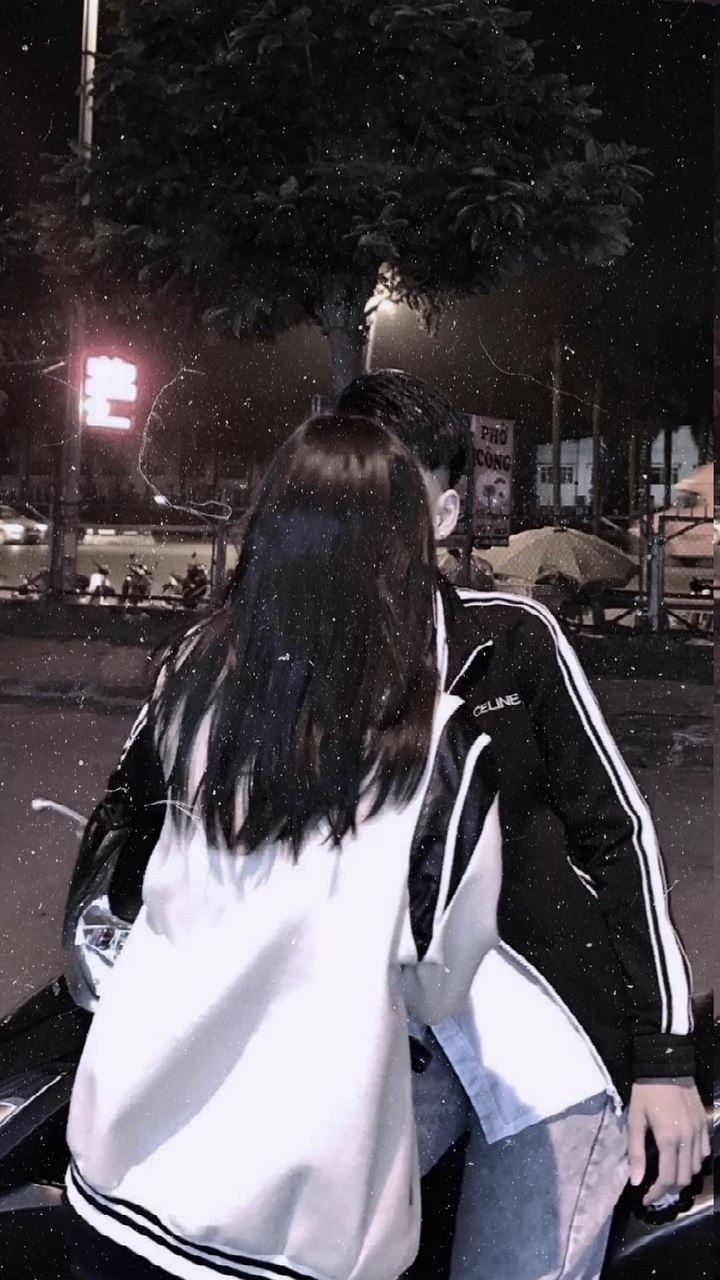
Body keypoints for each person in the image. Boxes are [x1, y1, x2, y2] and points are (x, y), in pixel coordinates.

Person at [62, 414, 503, 1280]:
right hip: (291, 1230)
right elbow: (439, 983)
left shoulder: (189, 674)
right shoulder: (439, 748)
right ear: (404, 552)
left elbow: (125, 858)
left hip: (119, 1179)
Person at [334, 370, 709, 1280]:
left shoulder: (512, 640)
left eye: (398, 495)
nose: (367, 521)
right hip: (378, 1039)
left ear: (446, 513)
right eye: (348, 489)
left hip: (545, 1041)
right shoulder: (270, 659)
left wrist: (666, 1061)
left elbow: (620, 838)